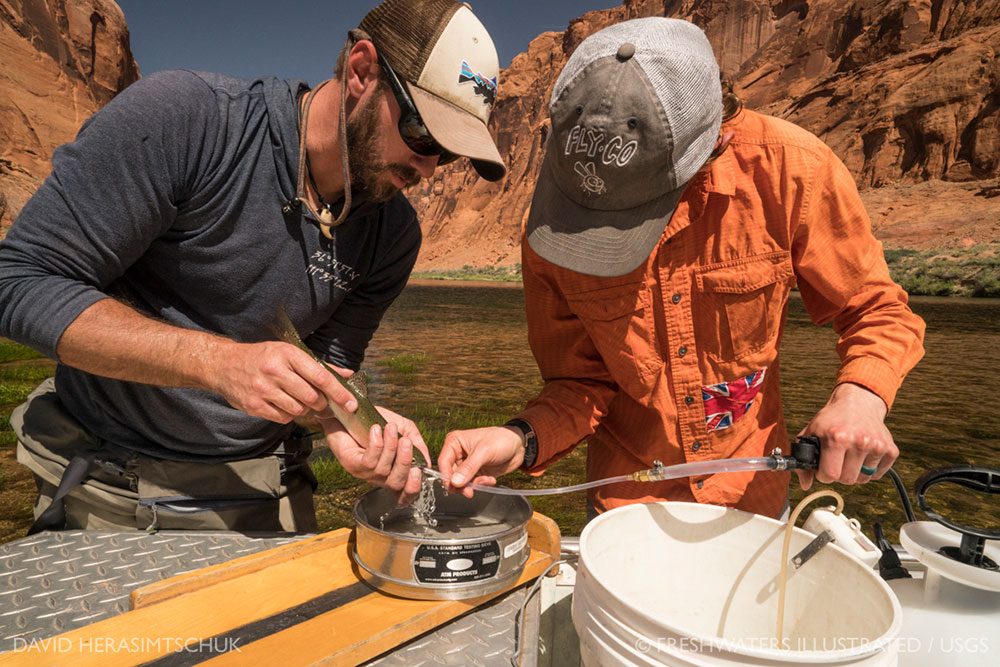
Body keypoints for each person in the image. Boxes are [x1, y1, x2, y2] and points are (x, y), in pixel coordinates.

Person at [0, 0, 506, 533]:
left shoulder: (394, 234)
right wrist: (218, 364)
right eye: (424, 135)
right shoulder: (186, 119)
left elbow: (329, 371)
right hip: (109, 485)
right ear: (361, 70)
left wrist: (345, 424)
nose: (428, 167)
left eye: (448, 154)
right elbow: (20, 282)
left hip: (273, 488)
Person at [439, 17, 925, 520]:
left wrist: (860, 397)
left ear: (716, 140)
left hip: (751, 499)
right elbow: (580, 385)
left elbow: (876, 310)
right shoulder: (553, 232)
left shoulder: (793, 171)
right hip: (624, 507)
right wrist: (519, 438)